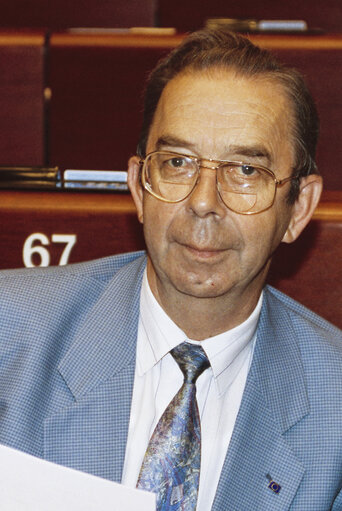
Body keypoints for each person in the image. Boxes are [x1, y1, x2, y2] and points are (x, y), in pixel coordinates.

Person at [0, 30, 341, 511]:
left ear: (298, 209)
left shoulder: (335, 406)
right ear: (140, 187)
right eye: (178, 163)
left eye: (246, 171)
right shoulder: (8, 338)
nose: (203, 203)